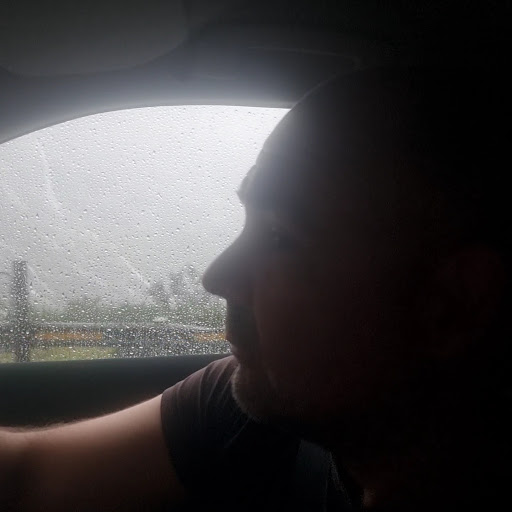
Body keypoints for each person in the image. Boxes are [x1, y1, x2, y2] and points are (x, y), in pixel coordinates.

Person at [1, 66, 510, 511]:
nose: (216, 276)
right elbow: (27, 476)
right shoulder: (254, 399)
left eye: (279, 236)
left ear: (450, 304)